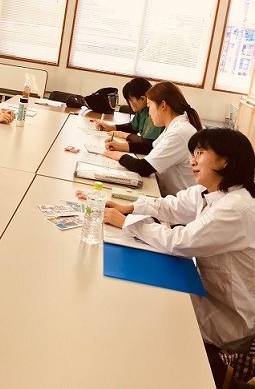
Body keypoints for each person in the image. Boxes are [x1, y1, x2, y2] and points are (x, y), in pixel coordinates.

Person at [99, 128, 255, 389]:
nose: (192, 160)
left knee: (144, 308)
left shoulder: (236, 207)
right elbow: (172, 205)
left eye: (200, 153)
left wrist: (128, 223)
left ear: (224, 161)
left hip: (228, 318)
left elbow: (181, 242)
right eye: (193, 153)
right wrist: (131, 207)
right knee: (142, 297)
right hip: (209, 294)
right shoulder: (212, 191)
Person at [103, 81, 202, 196]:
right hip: (168, 194)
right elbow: (151, 147)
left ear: (163, 105)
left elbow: (143, 168)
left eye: (149, 106)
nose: (149, 112)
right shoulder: (174, 125)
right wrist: (120, 146)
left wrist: (117, 155)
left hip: (179, 199)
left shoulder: (179, 132)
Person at [94, 77, 164, 154]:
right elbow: (133, 127)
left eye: (130, 100)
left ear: (142, 99)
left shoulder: (155, 114)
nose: (129, 104)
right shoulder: (142, 110)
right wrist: (112, 127)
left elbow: (149, 145)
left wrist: (122, 140)